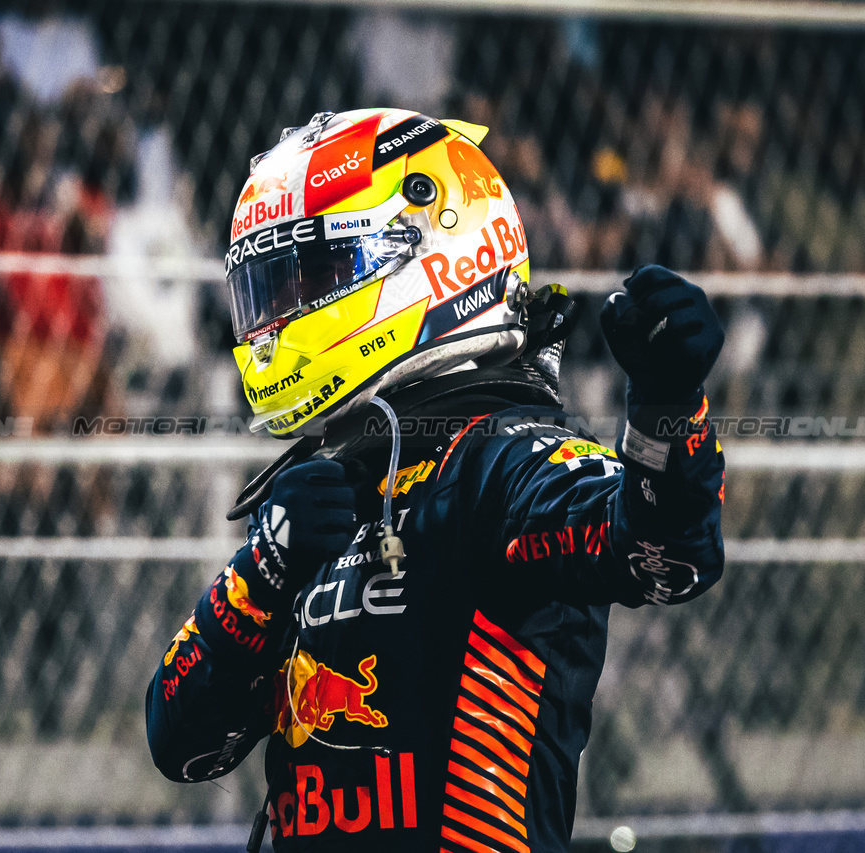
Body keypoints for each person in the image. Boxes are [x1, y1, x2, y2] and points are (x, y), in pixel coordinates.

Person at [146, 108, 726, 852]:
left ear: (432, 248)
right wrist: (263, 573)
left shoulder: (505, 458)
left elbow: (667, 555)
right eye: (269, 287)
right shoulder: (329, 482)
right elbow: (183, 743)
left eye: (311, 275)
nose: (277, 316)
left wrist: (670, 409)